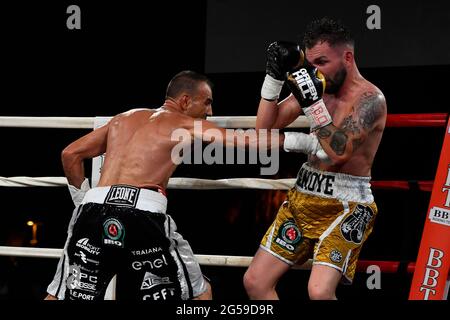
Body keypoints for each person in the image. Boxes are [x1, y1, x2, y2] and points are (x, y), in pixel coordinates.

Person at [45, 70, 223, 301]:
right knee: (200, 294)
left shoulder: (123, 118)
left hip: (93, 212)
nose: (210, 112)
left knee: (61, 295)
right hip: (143, 217)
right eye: (207, 103)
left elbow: (70, 154)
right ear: (186, 100)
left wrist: (84, 202)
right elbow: (247, 140)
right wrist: (286, 140)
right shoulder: (186, 124)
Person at [243, 17, 387, 300]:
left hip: (347, 204)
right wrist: (273, 79)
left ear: (347, 57)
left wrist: (313, 104)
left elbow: (339, 151)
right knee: (255, 282)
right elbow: (264, 130)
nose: (314, 71)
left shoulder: (370, 99)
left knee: (319, 291)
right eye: (311, 64)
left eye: (322, 62)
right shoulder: (318, 87)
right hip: (304, 194)